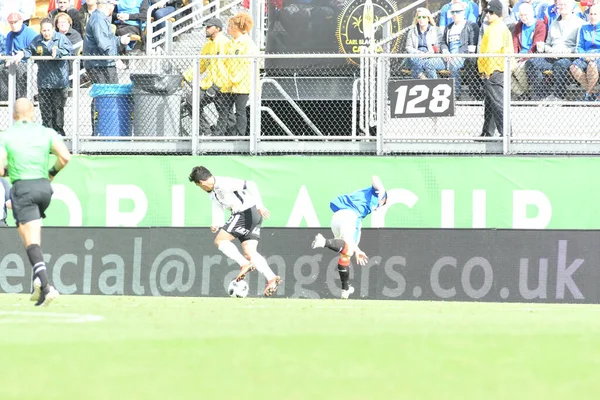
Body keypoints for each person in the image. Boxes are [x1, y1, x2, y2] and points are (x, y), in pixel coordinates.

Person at [0, 98, 71, 306]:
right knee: (35, 237)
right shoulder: (46, 132)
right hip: (44, 189)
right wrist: (50, 173)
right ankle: (38, 282)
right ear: (33, 114)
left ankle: (46, 286)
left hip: (23, 188)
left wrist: (11, 171)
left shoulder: (7, 136)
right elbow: (65, 157)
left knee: (29, 241)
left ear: (13, 116)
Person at [188, 166, 282, 297]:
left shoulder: (223, 183)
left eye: (199, 186)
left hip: (245, 213)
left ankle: (244, 264)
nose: (201, 189)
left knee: (220, 241)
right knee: (250, 252)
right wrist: (216, 223)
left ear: (202, 183)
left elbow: (250, 184)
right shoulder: (213, 192)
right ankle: (272, 278)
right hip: (252, 216)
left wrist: (260, 205)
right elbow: (218, 206)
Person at [311, 176, 387, 299]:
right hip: (350, 216)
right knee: (349, 249)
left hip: (336, 218)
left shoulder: (365, 199)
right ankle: (323, 241)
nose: (381, 204)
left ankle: (345, 289)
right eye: (383, 202)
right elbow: (375, 178)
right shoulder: (376, 193)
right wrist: (382, 192)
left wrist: (357, 250)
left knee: (346, 252)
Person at [12, 18, 72, 136]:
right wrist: (22, 53)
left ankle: (59, 136)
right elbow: (29, 50)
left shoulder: (60, 38)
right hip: (43, 82)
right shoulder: (37, 40)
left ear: (53, 29)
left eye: (49, 30)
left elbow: (69, 50)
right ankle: (47, 136)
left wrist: (57, 51)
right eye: (44, 30)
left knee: (58, 111)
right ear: (40, 30)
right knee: (45, 112)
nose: (46, 33)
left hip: (59, 82)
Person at [525, 0, 583, 101]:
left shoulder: (579, 23)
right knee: (531, 63)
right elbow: (547, 43)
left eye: (565, 4)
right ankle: (542, 95)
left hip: (569, 57)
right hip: (552, 56)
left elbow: (580, 46)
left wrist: (568, 51)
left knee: (559, 65)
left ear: (571, 6)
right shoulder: (554, 23)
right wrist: (550, 50)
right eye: (560, 5)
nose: (562, 7)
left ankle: (559, 96)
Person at [183, 18, 229, 136]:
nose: (206, 29)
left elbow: (229, 67)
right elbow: (201, 65)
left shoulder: (225, 43)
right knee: (191, 101)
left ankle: (231, 139)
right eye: (206, 27)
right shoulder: (208, 45)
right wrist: (185, 76)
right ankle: (206, 132)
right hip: (208, 84)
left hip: (222, 86)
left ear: (217, 29)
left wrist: (218, 85)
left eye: (209, 27)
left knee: (227, 115)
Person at [477, 0, 512, 137]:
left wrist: (487, 71)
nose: (488, 15)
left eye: (491, 12)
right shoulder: (497, 27)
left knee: (497, 103)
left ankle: (506, 134)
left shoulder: (496, 29)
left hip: (494, 70)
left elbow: (492, 51)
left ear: (498, 13)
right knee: (491, 102)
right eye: (487, 12)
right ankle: (488, 132)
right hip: (497, 69)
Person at [222, 12, 258, 136]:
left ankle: (240, 136)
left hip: (242, 84)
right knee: (224, 110)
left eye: (230, 26)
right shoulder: (230, 43)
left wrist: (234, 78)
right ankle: (226, 134)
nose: (228, 28)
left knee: (240, 111)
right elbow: (225, 62)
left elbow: (246, 64)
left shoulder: (248, 44)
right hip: (228, 83)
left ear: (237, 27)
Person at [83, 0, 131, 84]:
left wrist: (120, 40)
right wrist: (115, 59)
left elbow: (108, 39)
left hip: (102, 64)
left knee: (106, 95)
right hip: (100, 65)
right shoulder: (98, 19)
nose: (114, 8)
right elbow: (103, 44)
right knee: (108, 94)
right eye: (113, 5)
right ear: (107, 5)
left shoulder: (100, 18)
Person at [439, 1, 479, 99]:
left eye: (457, 12)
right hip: (447, 57)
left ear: (463, 12)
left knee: (454, 64)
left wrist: (457, 55)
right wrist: (445, 51)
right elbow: (443, 42)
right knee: (429, 63)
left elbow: (472, 47)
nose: (455, 14)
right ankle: (435, 91)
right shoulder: (448, 28)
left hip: (463, 57)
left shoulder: (471, 26)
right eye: (452, 12)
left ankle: (455, 95)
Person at [511, 2, 547, 100]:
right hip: (519, 56)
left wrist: (523, 58)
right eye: (521, 15)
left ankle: (526, 92)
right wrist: (514, 56)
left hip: (531, 56)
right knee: (506, 70)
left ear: (531, 13)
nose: (523, 17)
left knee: (518, 69)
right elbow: (515, 44)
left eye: (525, 15)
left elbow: (536, 45)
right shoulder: (518, 26)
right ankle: (523, 93)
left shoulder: (540, 25)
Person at [3, 12, 37, 99]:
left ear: (21, 21)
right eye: (11, 23)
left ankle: (22, 98)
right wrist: (8, 59)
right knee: (2, 69)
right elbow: (8, 52)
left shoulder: (30, 33)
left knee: (20, 69)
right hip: (14, 62)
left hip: (29, 62)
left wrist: (22, 55)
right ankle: (5, 97)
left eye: (15, 22)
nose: (13, 25)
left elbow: (35, 49)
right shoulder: (9, 35)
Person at [570, 3, 600, 101]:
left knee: (592, 65)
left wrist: (596, 56)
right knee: (573, 67)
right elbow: (579, 47)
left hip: (598, 57)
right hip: (586, 56)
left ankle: (587, 95)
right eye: (591, 14)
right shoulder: (583, 28)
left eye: (595, 14)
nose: (592, 16)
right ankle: (593, 93)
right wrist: (585, 56)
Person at [404, 8, 443, 80]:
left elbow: (437, 48)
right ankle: (423, 78)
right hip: (416, 56)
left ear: (428, 18)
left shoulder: (436, 30)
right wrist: (418, 53)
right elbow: (408, 47)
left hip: (431, 56)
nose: (421, 19)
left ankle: (432, 82)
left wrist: (427, 55)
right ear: (417, 19)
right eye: (419, 17)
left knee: (428, 64)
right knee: (415, 60)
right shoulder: (412, 31)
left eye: (424, 17)